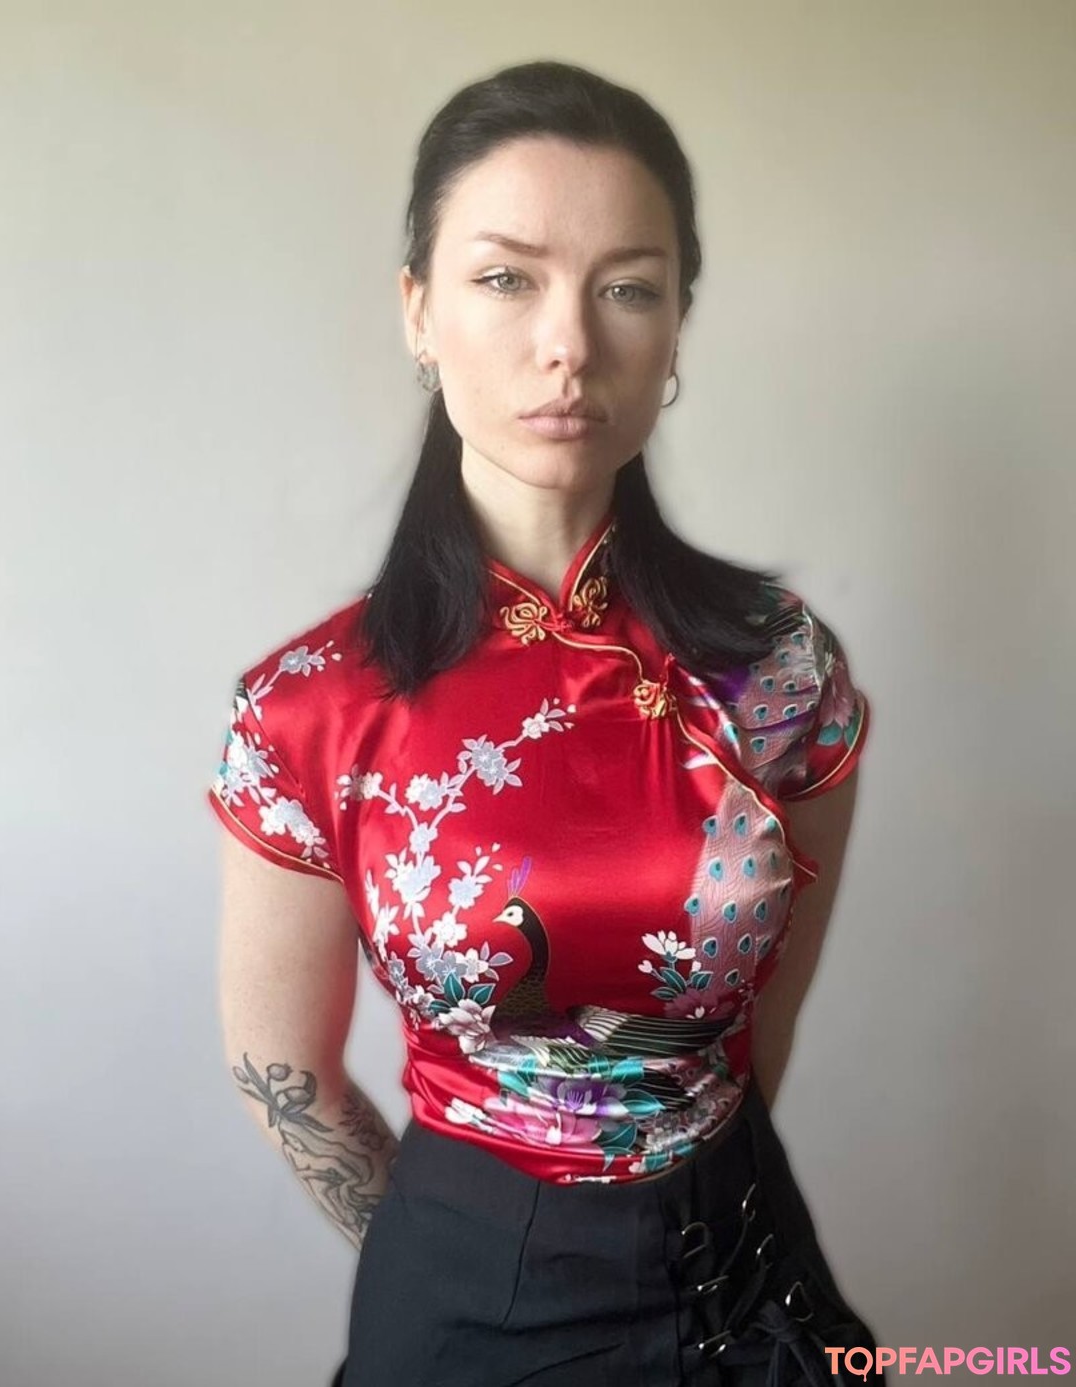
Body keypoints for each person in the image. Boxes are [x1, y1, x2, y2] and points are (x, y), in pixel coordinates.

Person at [206, 58, 883, 1387]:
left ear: (677, 324)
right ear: (419, 309)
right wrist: (450, 1249)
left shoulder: (776, 670)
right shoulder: (309, 709)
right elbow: (278, 1066)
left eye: (629, 286)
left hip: (750, 1272)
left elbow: (763, 1030)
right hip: (472, 1293)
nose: (569, 342)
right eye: (507, 278)